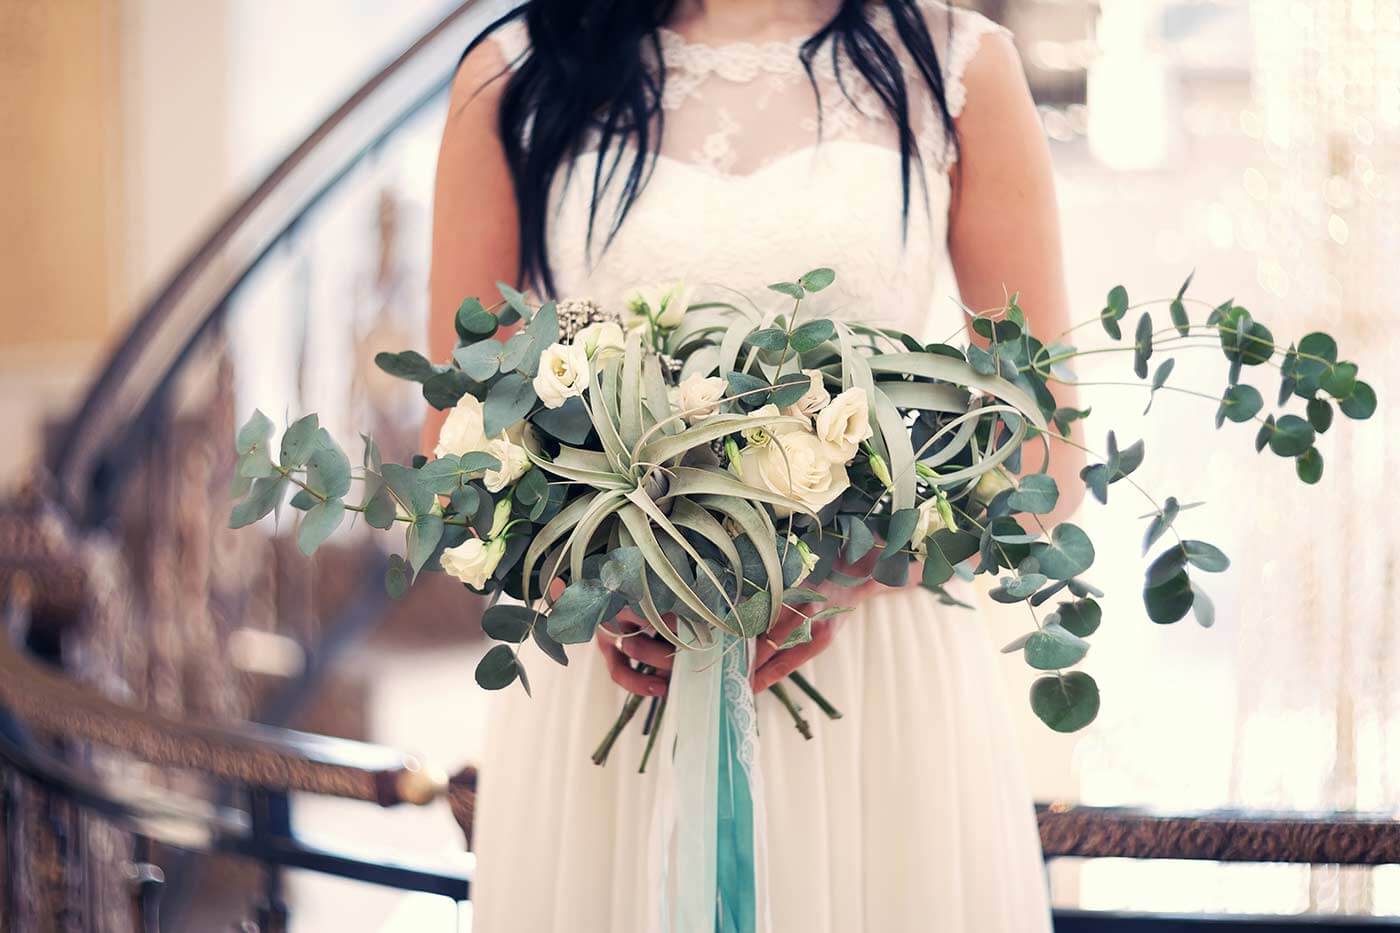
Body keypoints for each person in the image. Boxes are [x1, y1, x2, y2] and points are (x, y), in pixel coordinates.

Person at [424, 1, 1080, 929]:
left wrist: (852, 574)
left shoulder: (956, 65)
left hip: (877, 685)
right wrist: (600, 576)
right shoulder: (515, 72)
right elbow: (452, 446)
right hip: (615, 673)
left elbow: (1045, 449)